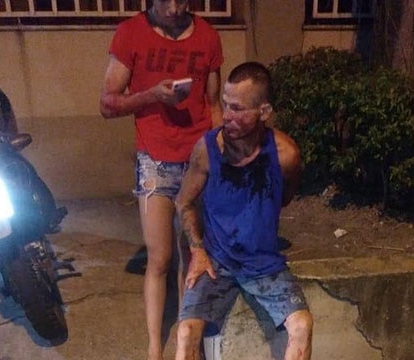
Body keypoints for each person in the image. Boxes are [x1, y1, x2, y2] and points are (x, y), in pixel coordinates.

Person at [99, 1, 223, 359]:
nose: (172, 8)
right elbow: (107, 104)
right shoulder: (129, 34)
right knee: (159, 259)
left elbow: (213, 103)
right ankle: (154, 346)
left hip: (198, 161)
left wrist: (219, 157)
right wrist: (153, 95)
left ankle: (188, 344)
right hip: (155, 161)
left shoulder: (208, 37)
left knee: (193, 259)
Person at [174, 62, 313, 360]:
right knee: (186, 333)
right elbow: (183, 201)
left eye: (237, 109)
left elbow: (284, 197)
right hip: (217, 262)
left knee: (302, 325)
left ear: (264, 112)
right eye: (225, 105)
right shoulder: (207, 149)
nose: (226, 116)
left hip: (264, 265)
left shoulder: (286, 155)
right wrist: (198, 251)